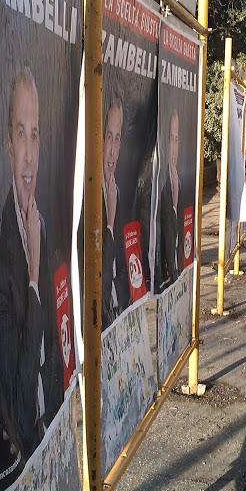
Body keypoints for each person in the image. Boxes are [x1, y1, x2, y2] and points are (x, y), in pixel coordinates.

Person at [0, 69, 63, 491]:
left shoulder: (45, 228)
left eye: (36, 135)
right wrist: (31, 281)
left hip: (56, 445)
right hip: (21, 470)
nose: (29, 154)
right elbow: (17, 393)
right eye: (20, 134)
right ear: (8, 145)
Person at [102, 96, 129, 330]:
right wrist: (109, 225)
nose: (112, 151)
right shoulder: (86, 196)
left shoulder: (116, 192)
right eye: (108, 137)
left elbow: (122, 266)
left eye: (117, 138)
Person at [158, 110, 184, 291]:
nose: (173, 146)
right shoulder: (159, 183)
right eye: (170, 139)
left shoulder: (179, 182)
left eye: (176, 139)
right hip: (163, 278)